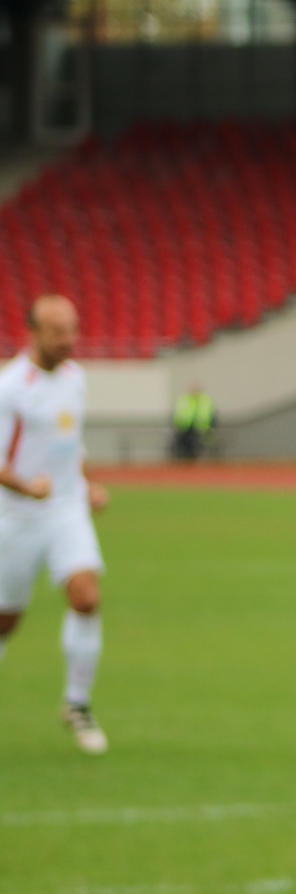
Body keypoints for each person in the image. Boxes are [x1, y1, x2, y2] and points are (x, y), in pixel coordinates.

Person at [0, 295, 111, 754]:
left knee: (86, 597)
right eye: (58, 331)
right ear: (34, 333)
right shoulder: (10, 388)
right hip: (16, 517)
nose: (69, 339)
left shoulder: (75, 378)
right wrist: (27, 487)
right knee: (6, 622)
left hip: (66, 510)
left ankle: (77, 703)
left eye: (72, 328)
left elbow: (70, 443)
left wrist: (87, 484)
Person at [170, 383, 214, 461]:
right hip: (184, 429)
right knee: (183, 446)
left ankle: (195, 461)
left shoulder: (205, 400)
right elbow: (178, 414)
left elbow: (210, 415)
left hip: (201, 430)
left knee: (197, 447)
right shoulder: (184, 399)